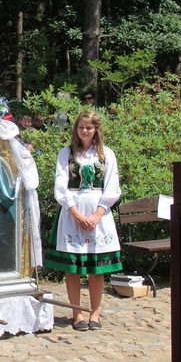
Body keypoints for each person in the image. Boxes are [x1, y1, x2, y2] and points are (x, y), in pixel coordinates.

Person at [44, 110, 122, 331]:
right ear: (76, 129)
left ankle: (95, 314)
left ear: (96, 129)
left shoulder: (107, 154)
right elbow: (60, 187)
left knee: (97, 268)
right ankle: (77, 313)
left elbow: (112, 188)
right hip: (72, 213)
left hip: (100, 214)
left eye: (89, 127)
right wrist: (76, 214)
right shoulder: (65, 154)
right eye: (81, 127)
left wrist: (97, 214)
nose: (85, 131)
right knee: (74, 268)